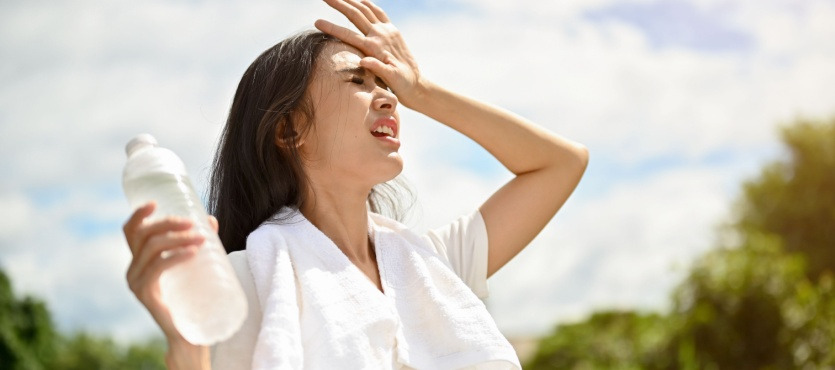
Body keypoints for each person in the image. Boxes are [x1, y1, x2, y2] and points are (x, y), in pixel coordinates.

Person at [122, 0, 589, 368]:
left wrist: (423, 91)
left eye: (386, 81)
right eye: (359, 80)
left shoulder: (435, 266)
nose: (388, 95)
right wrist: (187, 350)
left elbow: (561, 163)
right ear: (289, 130)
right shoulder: (249, 281)